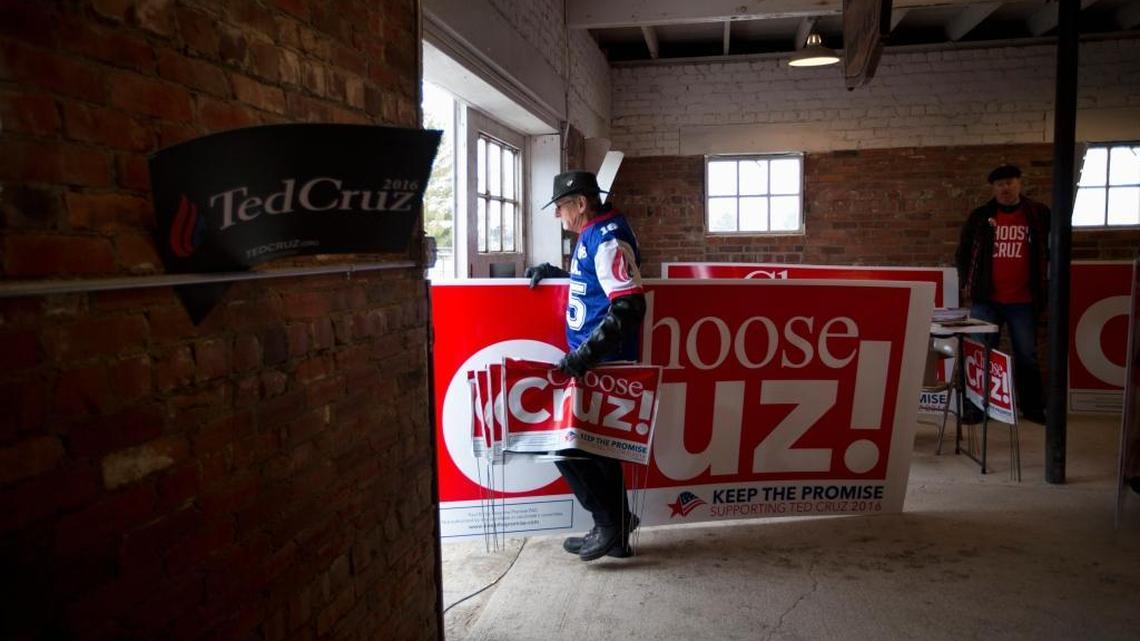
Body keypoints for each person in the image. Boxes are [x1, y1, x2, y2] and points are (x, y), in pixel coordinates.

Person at [525, 170, 646, 561]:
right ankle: (616, 529)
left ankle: (610, 525)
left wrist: (584, 356)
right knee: (599, 449)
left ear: (580, 203)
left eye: (561, 207)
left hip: (602, 362)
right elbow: (595, 281)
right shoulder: (596, 232)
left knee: (573, 448)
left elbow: (629, 305)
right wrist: (555, 274)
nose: (558, 215)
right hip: (597, 360)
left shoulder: (606, 238)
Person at [955, 164, 1050, 424]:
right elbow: (962, 252)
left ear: (1019, 183)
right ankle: (976, 408)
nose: (1005, 188)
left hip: (1024, 301)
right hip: (986, 301)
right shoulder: (980, 216)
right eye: (999, 184)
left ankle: (1032, 408)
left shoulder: (1038, 214)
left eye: (1009, 182)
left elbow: (1051, 250)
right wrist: (966, 282)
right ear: (993, 188)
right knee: (979, 356)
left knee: (1027, 356)